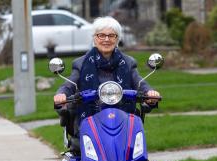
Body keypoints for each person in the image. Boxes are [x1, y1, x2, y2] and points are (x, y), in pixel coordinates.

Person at [53, 16, 161, 144]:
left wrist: (149, 93)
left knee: (140, 160)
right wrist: (61, 94)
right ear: (94, 38)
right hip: (90, 120)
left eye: (111, 36)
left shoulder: (128, 62)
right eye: (101, 35)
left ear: (117, 39)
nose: (106, 39)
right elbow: (69, 84)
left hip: (123, 119)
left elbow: (139, 83)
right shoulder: (81, 63)